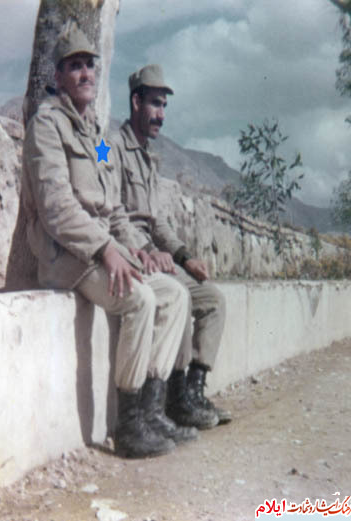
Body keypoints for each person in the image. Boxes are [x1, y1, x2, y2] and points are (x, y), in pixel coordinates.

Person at [21, 25, 195, 458]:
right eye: (74, 66)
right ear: (59, 76)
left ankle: (151, 409)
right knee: (140, 299)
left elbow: (113, 204)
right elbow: (57, 208)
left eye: (90, 66)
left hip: (103, 251)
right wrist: (105, 249)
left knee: (173, 294)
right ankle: (129, 425)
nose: (85, 74)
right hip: (67, 256)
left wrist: (133, 246)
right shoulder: (47, 127)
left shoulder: (96, 138)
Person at [109, 64, 230, 430]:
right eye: (155, 104)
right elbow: (110, 210)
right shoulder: (107, 146)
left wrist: (184, 256)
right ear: (135, 102)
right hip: (129, 252)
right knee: (180, 295)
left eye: (164, 106)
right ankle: (173, 400)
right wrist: (145, 249)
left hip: (154, 253)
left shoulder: (149, 158)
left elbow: (158, 220)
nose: (161, 114)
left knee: (213, 299)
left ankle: (191, 391)